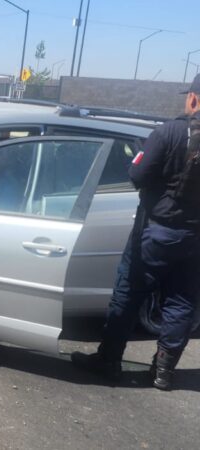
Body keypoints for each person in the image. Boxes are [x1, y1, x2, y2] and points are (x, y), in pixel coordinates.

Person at [72, 74, 200, 390]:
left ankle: (109, 361)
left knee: (128, 294)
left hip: (155, 232)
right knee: (182, 302)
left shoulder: (169, 133)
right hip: (195, 239)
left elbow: (137, 174)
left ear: (194, 99)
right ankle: (163, 373)